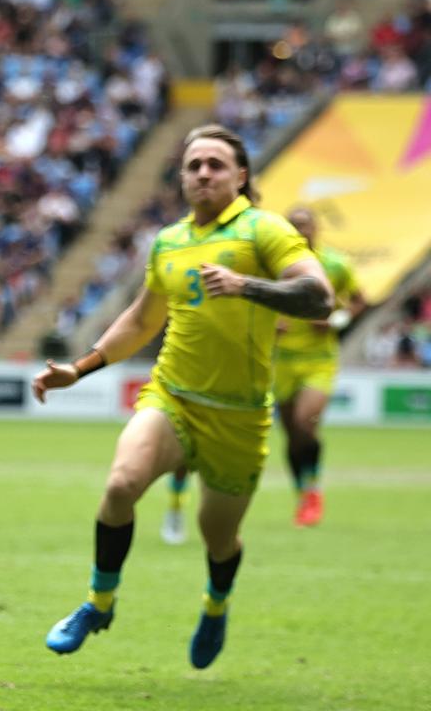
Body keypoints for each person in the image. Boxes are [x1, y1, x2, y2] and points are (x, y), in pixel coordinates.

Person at [32, 124, 334, 669]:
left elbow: (319, 298)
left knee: (217, 537)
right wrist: (80, 368)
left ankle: (215, 604)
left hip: (239, 418)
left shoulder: (264, 231)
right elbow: (142, 319)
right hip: (172, 398)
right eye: (193, 164)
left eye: (216, 164)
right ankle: (99, 603)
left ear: (241, 176)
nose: (202, 173)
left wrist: (248, 286)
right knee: (122, 484)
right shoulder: (169, 241)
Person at [160, 206, 365, 537]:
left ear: (317, 227)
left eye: (306, 225)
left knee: (305, 422)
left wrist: (335, 322)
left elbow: (358, 300)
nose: (301, 231)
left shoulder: (334, 265)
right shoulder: (273, 267)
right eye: (294, 226)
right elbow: (249, 298)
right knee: (292, 433)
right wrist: (272, 317)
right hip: (278, 360)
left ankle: (313, 490)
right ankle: (303, 493)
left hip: (317, 360)